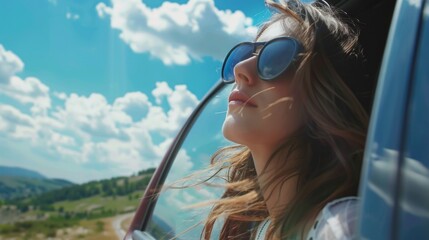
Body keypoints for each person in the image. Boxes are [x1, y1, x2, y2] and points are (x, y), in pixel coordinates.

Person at [196, 0, 369, 239]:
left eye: (275, 57)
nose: (241, 69)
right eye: (244, 54)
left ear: (322, 94)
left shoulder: (343, 227)